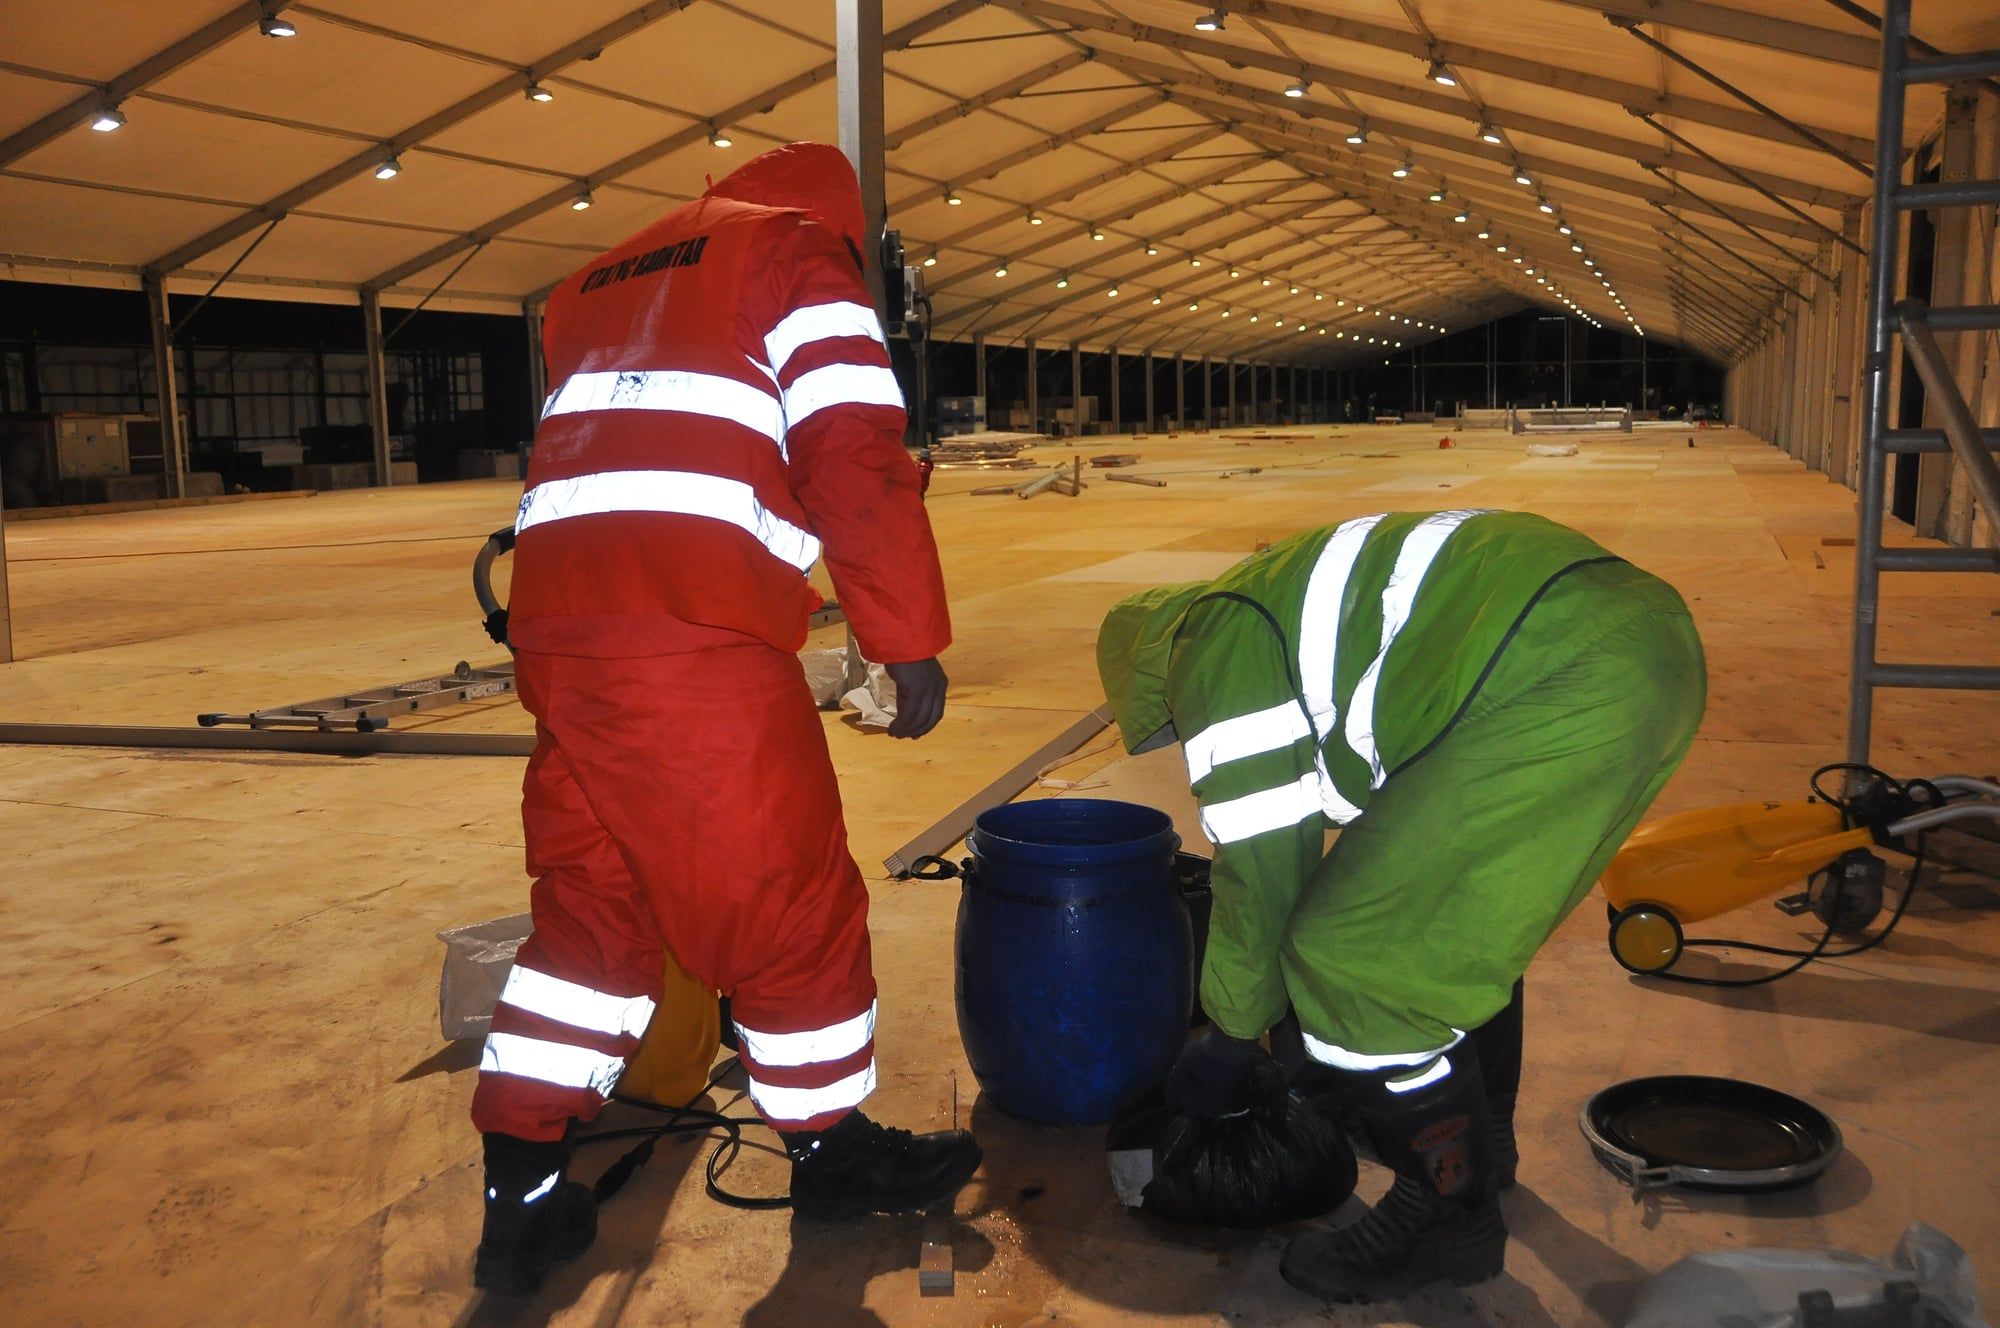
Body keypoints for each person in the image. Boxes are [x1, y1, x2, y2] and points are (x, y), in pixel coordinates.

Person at [469, 142, 980, 1295]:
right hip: (688, 640)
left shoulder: (593, 280)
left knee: (593, 915)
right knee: (787, 899)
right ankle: (830, 1150)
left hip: (562, 635)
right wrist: (904, 637)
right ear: (847, 226)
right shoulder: (795, 254)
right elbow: (853, 453)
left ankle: (522, 1194)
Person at [1095, 509, 1705, 1302]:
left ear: (1152, 675)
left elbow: (1260, 869)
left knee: (1358, 959)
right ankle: (1482, 1137)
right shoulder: (1263, 600)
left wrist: (1233, 1033)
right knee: (1451, 924)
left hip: (1556, 673)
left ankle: (1443, 1217)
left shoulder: (1214, 652)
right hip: (1639, 643)